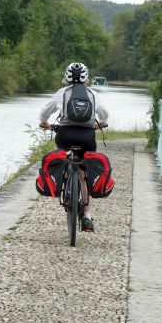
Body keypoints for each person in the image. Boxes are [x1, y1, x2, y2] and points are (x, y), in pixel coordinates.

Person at [38, 62, 109, 232]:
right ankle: (87, 217)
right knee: (83, 172)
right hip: (87, 137)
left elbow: (44, 113)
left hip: (65, 135)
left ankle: (65, 181)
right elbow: (105, 114)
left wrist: (44, 123)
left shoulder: (62, 93)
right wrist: (102, 124)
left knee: (63, 156)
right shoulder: (92, 94)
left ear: (67, 77)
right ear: (86, 78)